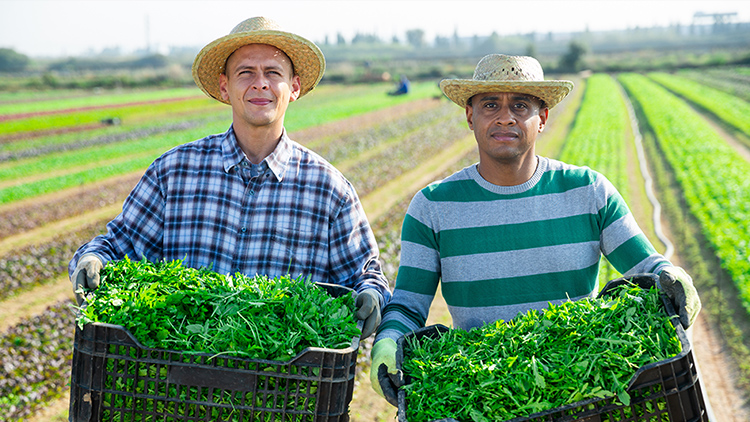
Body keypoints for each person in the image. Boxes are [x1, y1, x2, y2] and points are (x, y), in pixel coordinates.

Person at [369, 54, 701, 405]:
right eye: (490, 104)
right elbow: (408, 304)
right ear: (471, 116)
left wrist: (672, 277)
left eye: (521, 105)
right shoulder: (433, 207)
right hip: (485, 390)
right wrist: (388, 342)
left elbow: (646, 267)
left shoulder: (587, 191)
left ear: (542, 118)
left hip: (580, 385)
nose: (505, 117)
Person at [68, 17, 390, 338]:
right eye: (246, 72)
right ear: (225, 87)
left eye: (273, 73)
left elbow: (365, 276)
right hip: (176, 376)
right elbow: (118, 246)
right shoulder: (174, 173)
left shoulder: (329, 191)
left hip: (283, 382)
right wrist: (93, 259)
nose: (260, 83)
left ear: (293, 87)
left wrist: (371, 296)